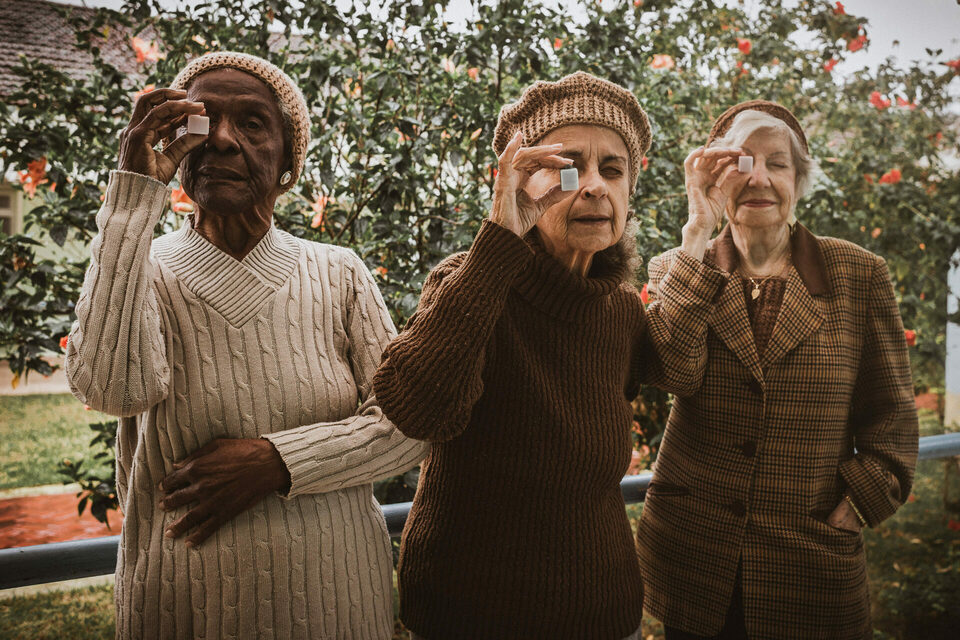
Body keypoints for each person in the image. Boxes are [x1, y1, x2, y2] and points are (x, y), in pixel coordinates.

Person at [65, 51, 427, 639]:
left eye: (253, 124)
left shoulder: (339, 273)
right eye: (201, 123)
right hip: (179, 613)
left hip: (339, 609)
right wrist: (133, 195)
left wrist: (275, 463)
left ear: (287, 160)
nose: (224, 141)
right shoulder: (141, 268)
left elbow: (408, 427)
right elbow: (110, 389)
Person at [372, 72, 728, 640]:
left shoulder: (617, 309)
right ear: (523, 184)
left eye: (612, 170)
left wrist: (698, 232)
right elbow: (417, 411)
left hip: (605, 613)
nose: (592, 186)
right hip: (470, 617)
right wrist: (499, 236)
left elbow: (681, 368)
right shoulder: (469, 284)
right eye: (566, 168)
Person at [636, 100, 919, 640]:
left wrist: (860, 500)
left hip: (809, 559)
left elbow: (893, 417)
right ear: (715, 181)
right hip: (694, 559)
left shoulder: (859, 274)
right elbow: (673, 372)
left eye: (777, 162)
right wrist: (697, 229)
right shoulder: (679, 268)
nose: (758, 177)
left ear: (800, 179)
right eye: (740, 162)